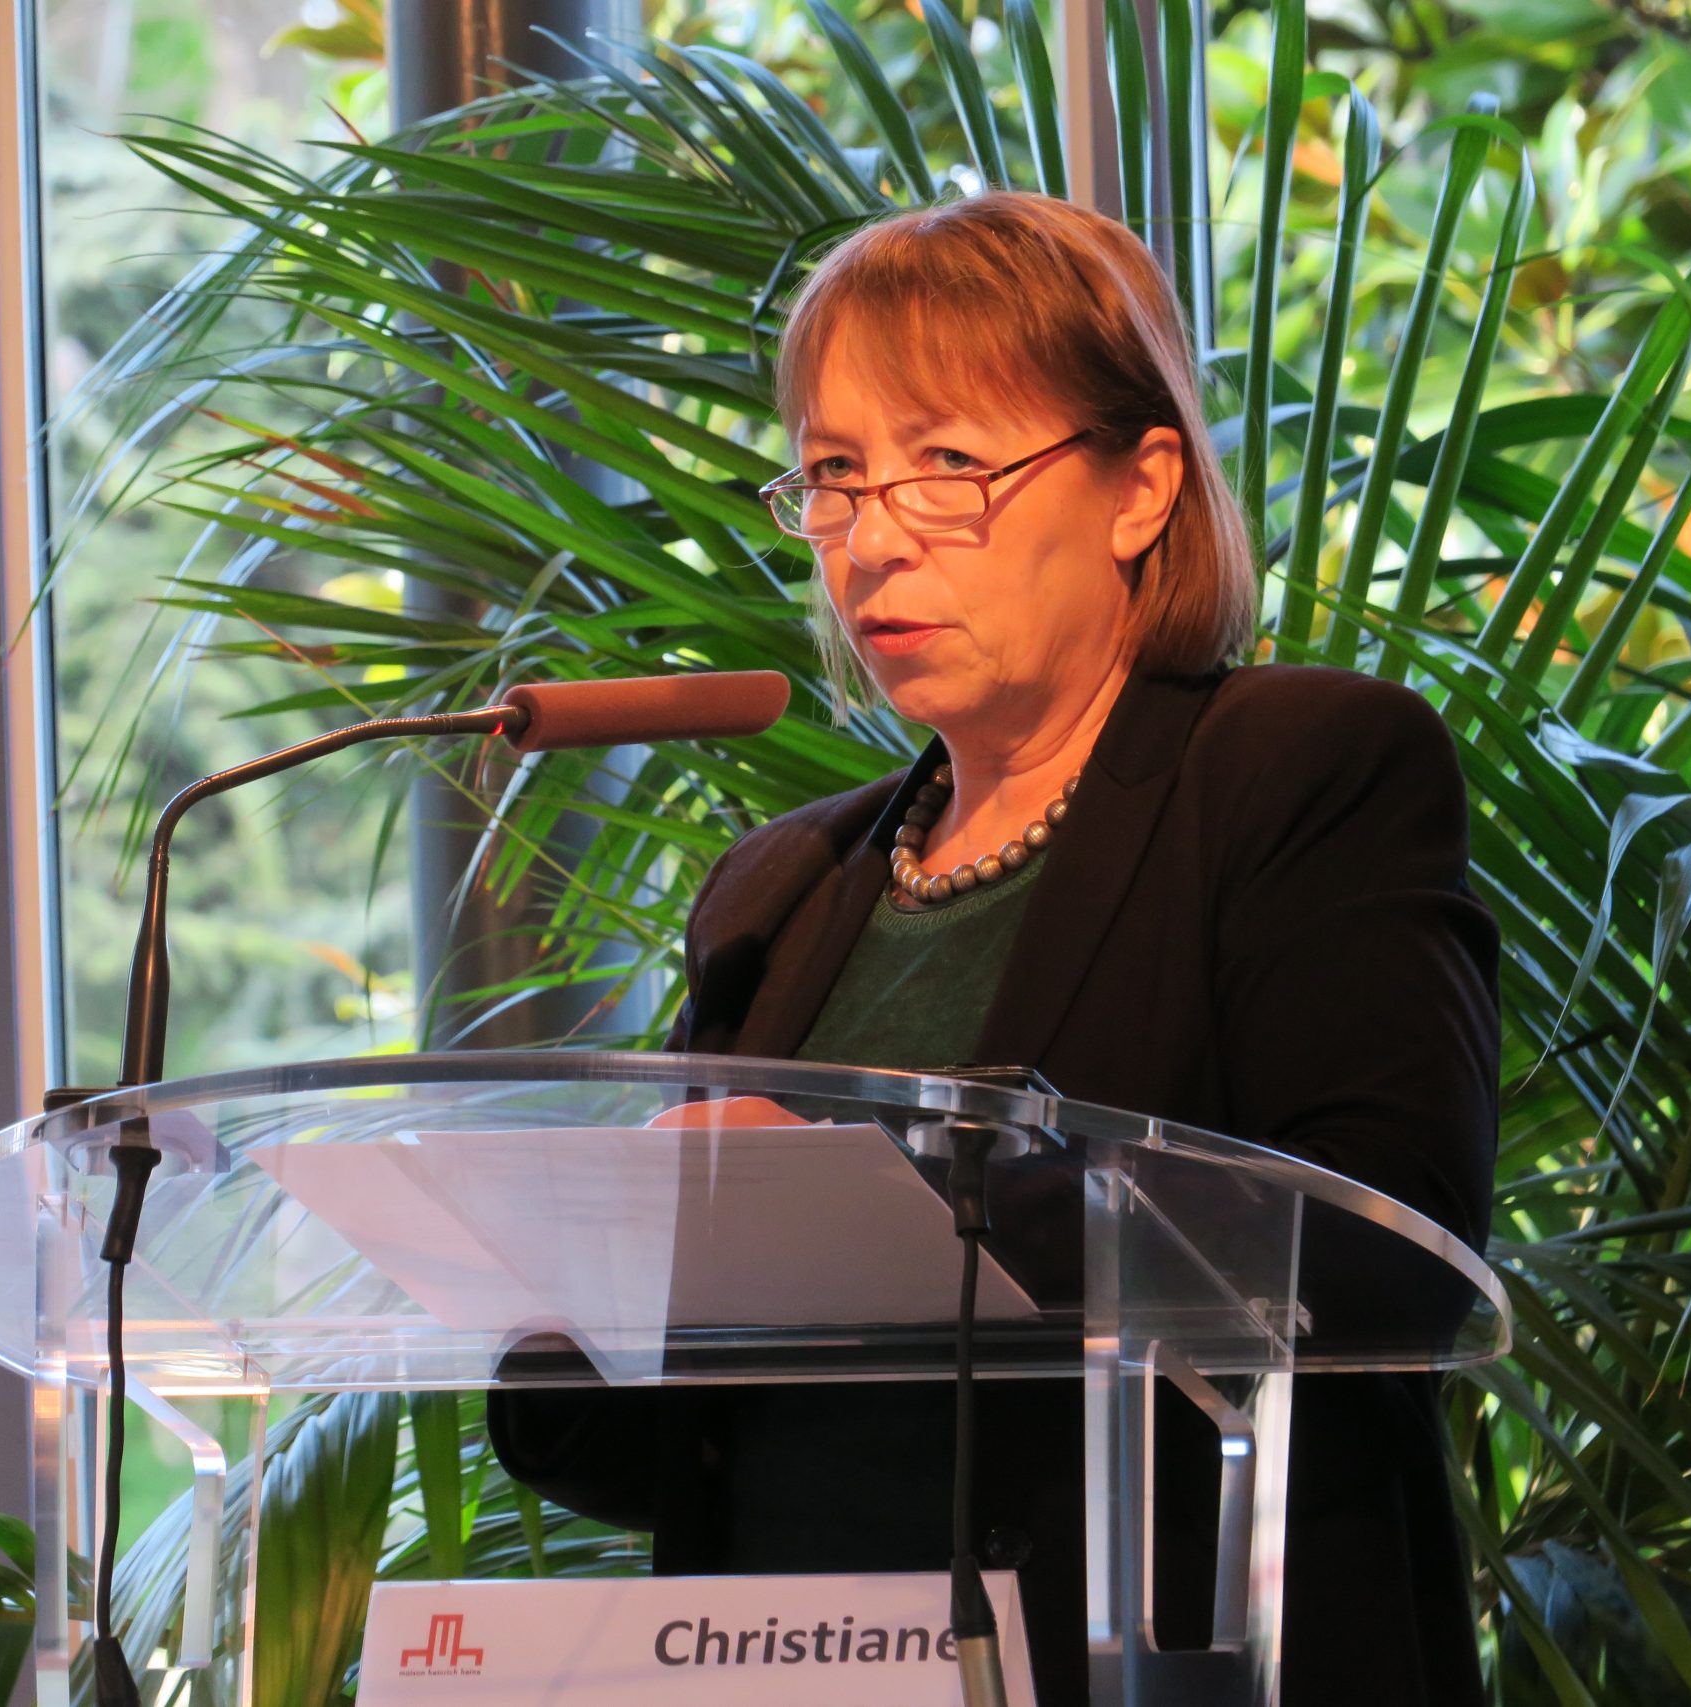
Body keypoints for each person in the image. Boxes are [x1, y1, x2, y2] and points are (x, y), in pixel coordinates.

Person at [490, 188, 1501, 1705]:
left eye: (948, 465)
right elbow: (673, 1451)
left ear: (1140, 489)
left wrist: (862, 1195)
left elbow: (1385, 1252)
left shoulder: (1295, 772)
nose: (871, 541)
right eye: (835, 476)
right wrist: (570, 1288)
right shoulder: (779, 890)